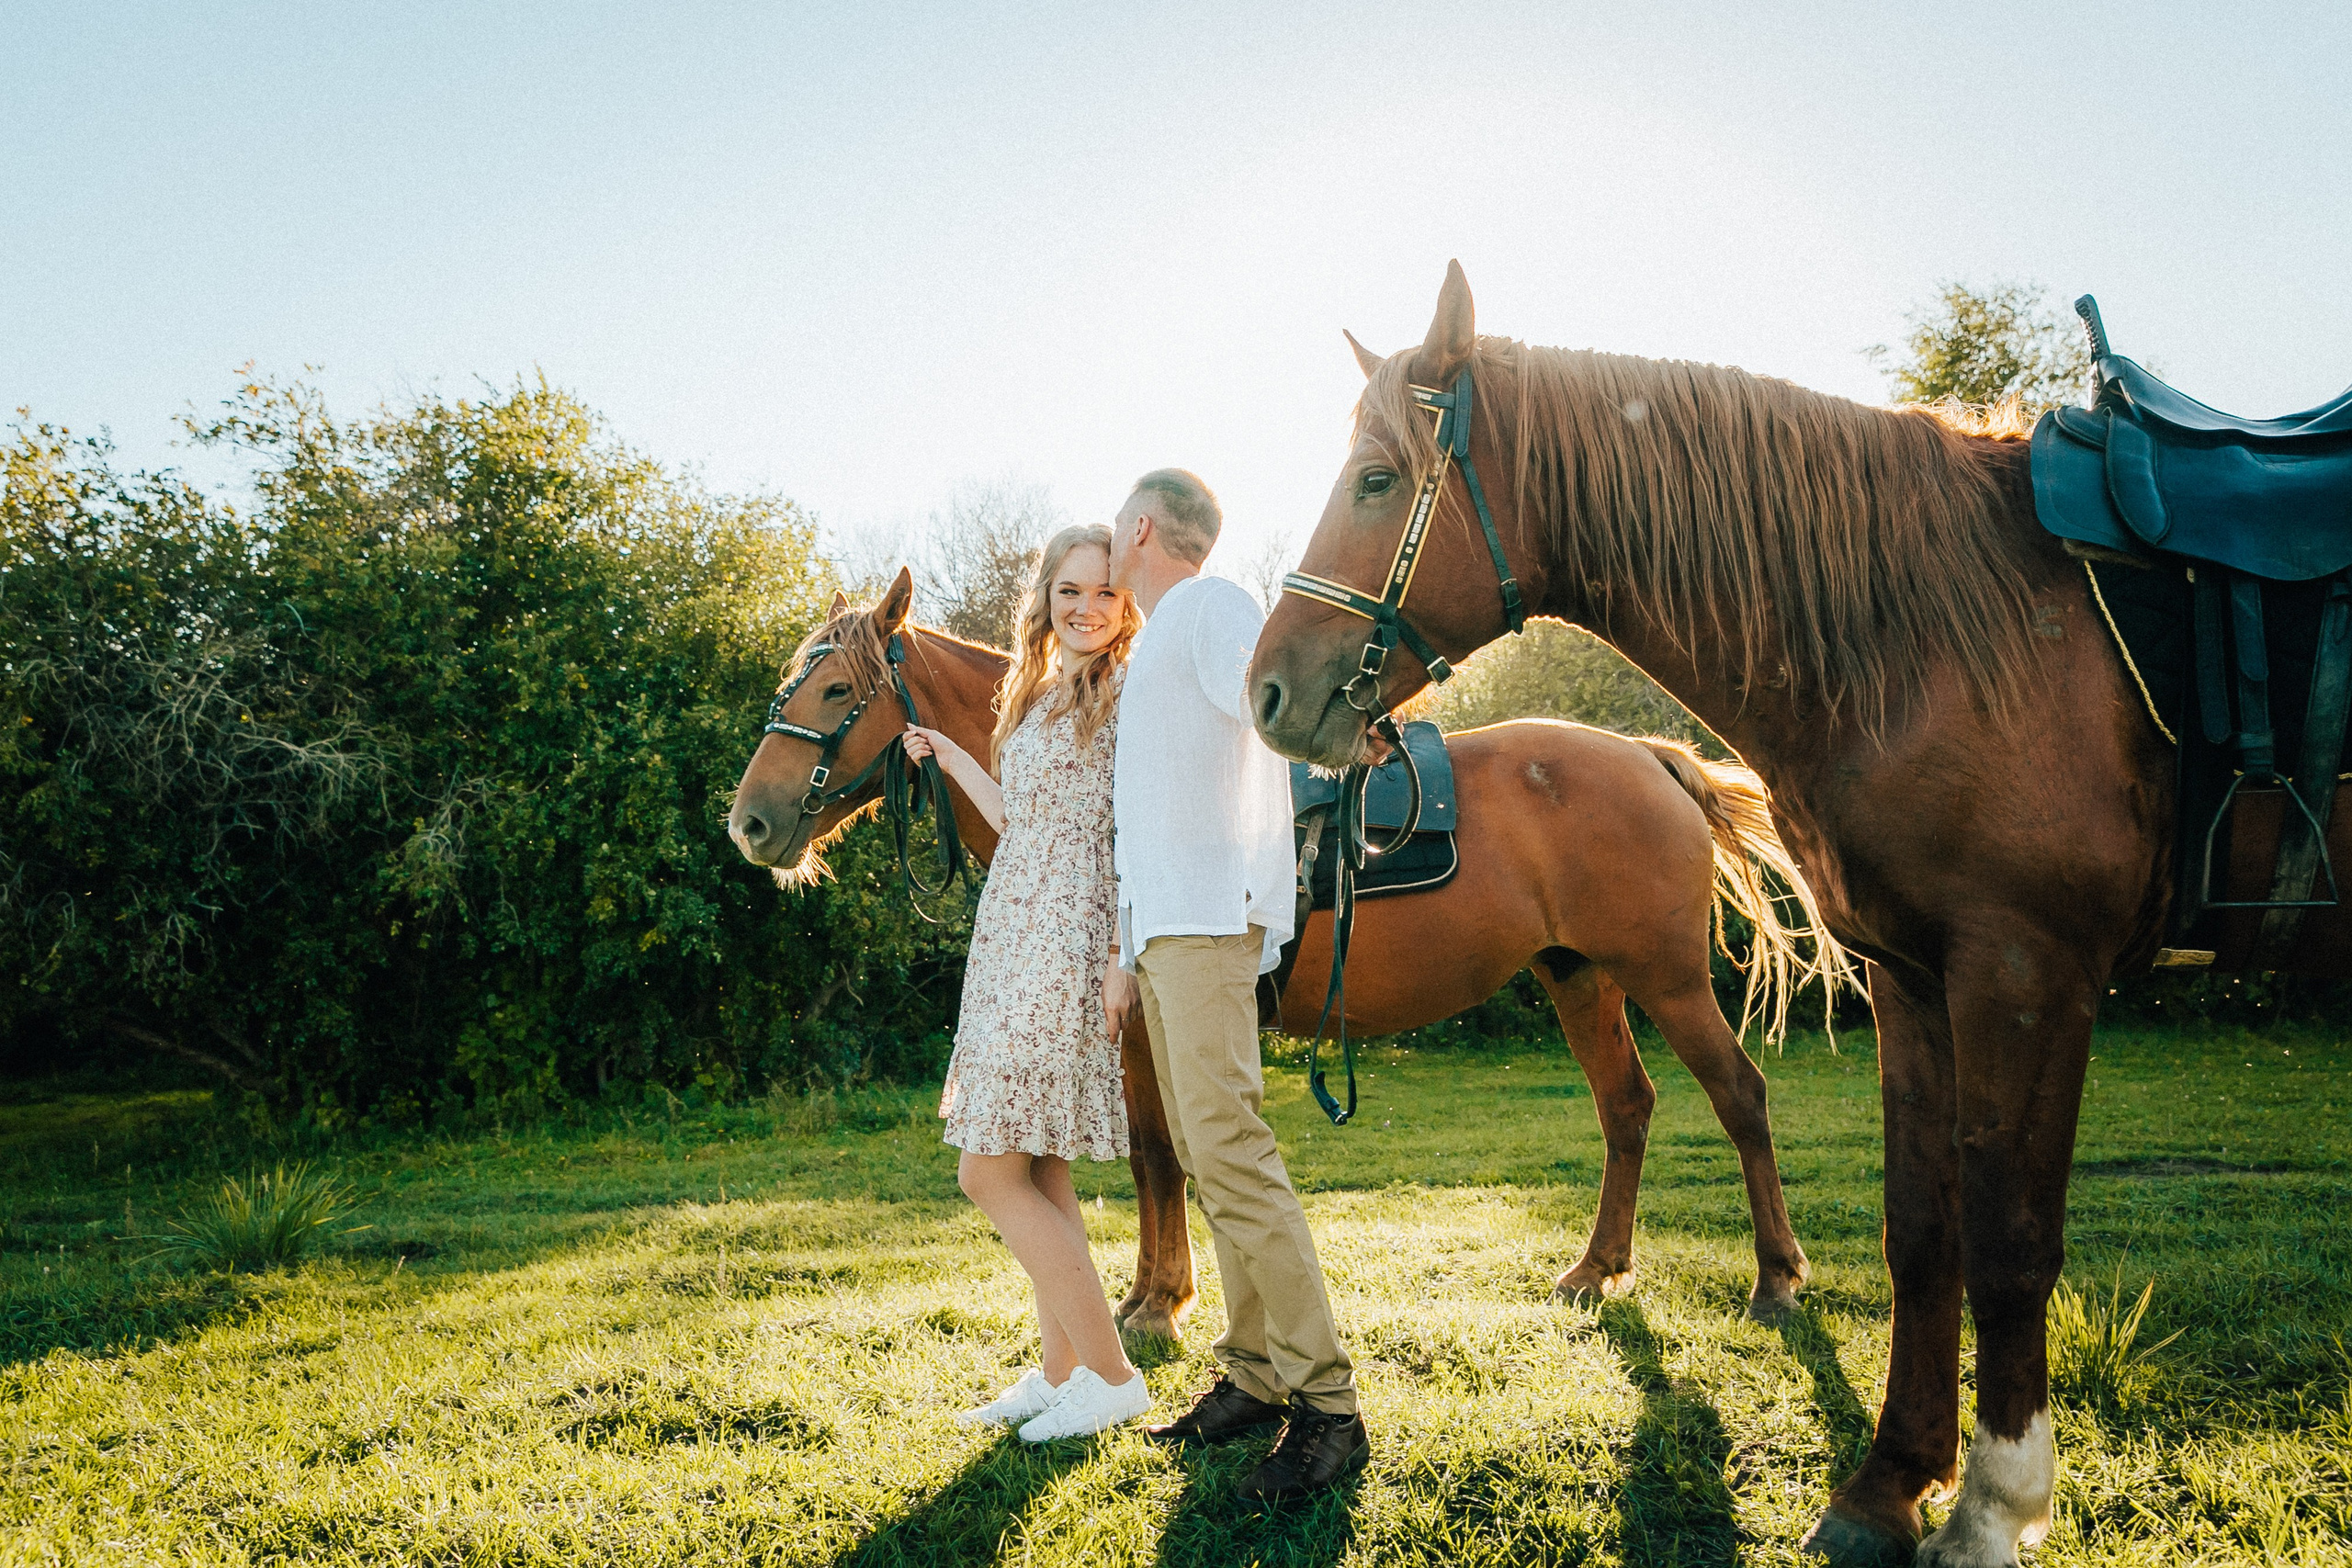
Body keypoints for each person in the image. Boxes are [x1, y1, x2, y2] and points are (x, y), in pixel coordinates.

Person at [1103, 468, 1369, 1499]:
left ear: (1137, 531)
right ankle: (1255, 1375)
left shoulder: (1209, 608)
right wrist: (1127, 955)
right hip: (1170, 932)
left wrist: (1344, 719)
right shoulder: (1160, 635)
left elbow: (1267, 705)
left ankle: (1330, 1409)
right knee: (1210, 1163)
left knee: (1235, 1160)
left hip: (1210, 922)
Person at [902, 523, 1152, 1442]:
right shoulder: (1039, 696)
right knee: (1038, 1166)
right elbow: (1020, 819)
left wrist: (1122, 958)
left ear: (1125, 604)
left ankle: (1114, 1375)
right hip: (1011, 930)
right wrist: (954, 754)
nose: (1085, 609)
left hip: (1072, 938)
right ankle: (1061, 1375)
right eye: (1068, 593)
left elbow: (1135, 835)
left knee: (988, 1169)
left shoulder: (1130, 694)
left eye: (1103, 593)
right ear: (1043, 601)